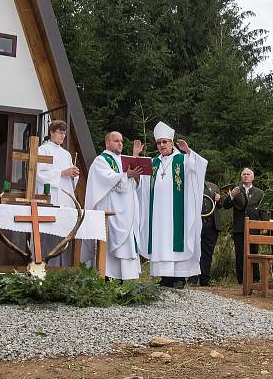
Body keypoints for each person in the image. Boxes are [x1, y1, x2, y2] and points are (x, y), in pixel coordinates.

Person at [137, 121, 207, 288]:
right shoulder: (153, 162)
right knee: (160, 241)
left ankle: (178, 278)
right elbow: (141, 183)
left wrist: (188, 151)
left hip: (177, 212)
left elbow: (200, 166)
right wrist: (137, 156)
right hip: (157, 212)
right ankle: (165, 277)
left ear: (171, 142)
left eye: (165, 142)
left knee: (176, 241)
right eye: (159, 142)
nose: (162, 145)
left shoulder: (182, 160)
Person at [84, 131, 143, 281]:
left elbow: (132, 185)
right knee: (109, 242)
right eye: (116, 140)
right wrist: (126, 175)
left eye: (121, 141)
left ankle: (125, 279)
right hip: (110, 210)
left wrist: (135, 176)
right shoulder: (101, 161)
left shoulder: (123, 160)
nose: (120, 143)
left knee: (127, 242)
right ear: (107, 143)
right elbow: (107, 180)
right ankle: (107, 276)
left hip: (126, 212)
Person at [36, 119, 79, 266]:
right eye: (60, 132)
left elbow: (69, 176)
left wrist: (74, 174)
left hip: (65, 199)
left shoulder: (66, 154)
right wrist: (61, 173)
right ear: (51, 132)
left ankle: (63, 269)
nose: (62, 136)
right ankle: (45, 265)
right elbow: (39, 173)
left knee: (63, 236)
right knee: (48, 235)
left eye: (64, 133)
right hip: (51, 197)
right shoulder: (42, 150)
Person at [222, 168, 264, 285]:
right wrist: (231, 196)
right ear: (241, 177)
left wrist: (263, 225)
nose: (246, 176)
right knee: (240, 254)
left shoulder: (259, 192)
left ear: (253, 177)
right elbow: (225, 206)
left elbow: (263, 211)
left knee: (254, 253)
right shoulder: (236, 190)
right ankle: (241, 280)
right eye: (244, 174)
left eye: (248, 174)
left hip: (254, 228)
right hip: (239, 227)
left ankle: (255, 279)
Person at [189, 188, 222, 287]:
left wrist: (219, 199)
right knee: (194, 251)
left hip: (211, 225)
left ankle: (205, 278)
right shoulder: (191, 183)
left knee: (207, 253)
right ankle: (192, 278)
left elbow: (221, 205)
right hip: (195, 224)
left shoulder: (213, 186)